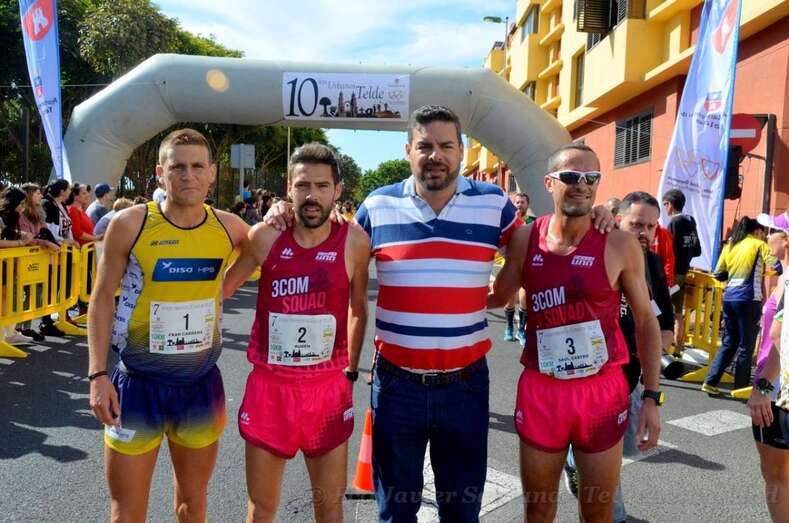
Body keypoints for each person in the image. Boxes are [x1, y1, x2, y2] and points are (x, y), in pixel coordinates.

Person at [489, 143, 662, 523]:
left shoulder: (619, 243)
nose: (582, 185)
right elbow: (496, 297)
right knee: (538, 508)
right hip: (542, 389)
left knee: (598, 509)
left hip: (600, 390)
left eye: (591, 178)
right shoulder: (524, 239)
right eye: (570, 176)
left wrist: (651, 396)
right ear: (549, 182)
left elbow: (647, 321)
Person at [87, 128, 249, 522]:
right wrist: (97, 374)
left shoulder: (228, 227)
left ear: (212, 173)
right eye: (178, 167)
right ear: (161, 173)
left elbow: (258, 249)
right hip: (137, 386)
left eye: (197, 166)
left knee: (191, 506)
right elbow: (102, 296)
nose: (188, 175)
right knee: (127, 513)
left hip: (199, 387)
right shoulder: (131, 223)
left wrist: (222, 288)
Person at [223, 143, 370, 523]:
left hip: (327, 390)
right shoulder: (266, 237)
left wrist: (351, 370)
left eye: (322, 186)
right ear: (289, 187)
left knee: (330, 506)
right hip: (271, 390)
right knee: (262, 508)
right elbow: (220, 290)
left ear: (337, 190)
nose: (312, 196)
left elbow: (359, 309)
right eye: (303, 185)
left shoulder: (354, 242)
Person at [562, 191, 674, 522]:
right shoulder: (595, 250)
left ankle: (573, 464)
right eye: (636, 223)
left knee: (628, 449)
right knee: (604, 465)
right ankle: (614, 514)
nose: (644, 232)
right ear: (617, 220)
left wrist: (656, 342)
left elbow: (665, 325)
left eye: (651, 226)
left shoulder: (652, 264)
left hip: (629, 379)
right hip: (588, 382)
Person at [703, 217, 781, 393]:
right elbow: (777, 264)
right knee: (746, 345)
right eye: (763, 233)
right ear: (757, 232)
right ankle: (740, 387)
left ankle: (710, 381)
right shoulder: (758, 245)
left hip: (729, 298)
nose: (765, 236)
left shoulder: (731, 245)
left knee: (729, 342)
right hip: (749, 300)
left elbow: (718, 273)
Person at [749, 290, 789, 522]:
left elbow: (778, 335)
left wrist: (762, 388)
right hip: (775, 390)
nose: (768, 250)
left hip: (776, 393)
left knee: (776, 477)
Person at [662, 189, 701, 353]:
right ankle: (678, 348)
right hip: (684, 272)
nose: (665, 208)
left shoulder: (674, 223)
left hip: (671, 274)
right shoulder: (691, 222)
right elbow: (697, 250)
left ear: (670, 204)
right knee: (678, 311)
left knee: (664, 311)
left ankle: (664, 347)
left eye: (665, 204)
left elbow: (667, 250)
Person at [0, 186, 36, 345]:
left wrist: (20, 234)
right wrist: (20, 241)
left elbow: (6, 231)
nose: (23, 207)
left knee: (7, 299)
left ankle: (9, 333)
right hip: (4, 264)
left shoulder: (11, 217)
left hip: (7, 266)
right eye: (21, 203)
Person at [39, 179, 74, 337]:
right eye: (68, 189)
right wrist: (66, 241)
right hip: (52, 253)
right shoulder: (48, 204)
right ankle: (45, 321)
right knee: (50, 286)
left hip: (63, 252)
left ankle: (59, 316)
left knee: (60, 285)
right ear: (62, 191)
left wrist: (70, 242)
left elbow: (67, 228)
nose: (69, 192)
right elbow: (49, 230)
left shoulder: (62, 205)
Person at [504, 192, 533, 343]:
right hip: (509, 263)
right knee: (510, 296)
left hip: (527, 264)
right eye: (517, 202)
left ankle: (521, 330)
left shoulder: (534, 222)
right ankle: (509, 327)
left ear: (528, 205)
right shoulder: (508, 222)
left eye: (522, 202)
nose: (520, 204)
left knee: (525, 296)